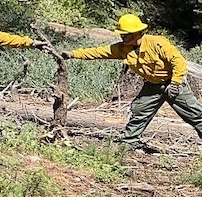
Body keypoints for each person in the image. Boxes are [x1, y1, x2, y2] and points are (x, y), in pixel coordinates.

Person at [65, 13, 202, 150]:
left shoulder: (157, 43)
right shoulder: (122, 49)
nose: (122, 37)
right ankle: (129, 142)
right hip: (152, 86)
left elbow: (178, 62)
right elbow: (97, 52)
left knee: (194, 114)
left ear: (136, 34)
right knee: (139, 111)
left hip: (172, 84)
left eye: (125, 34)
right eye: (121, 34)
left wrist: (176, 83)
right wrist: (72, 54)